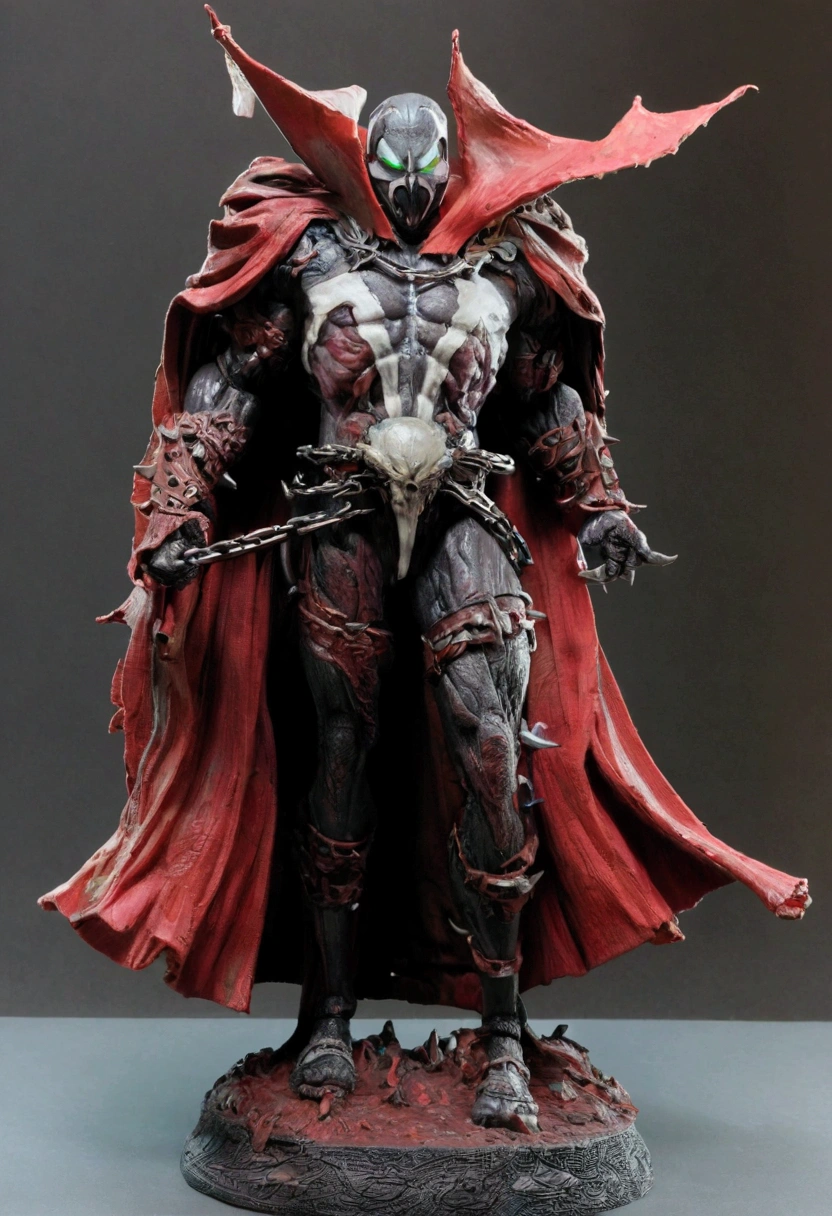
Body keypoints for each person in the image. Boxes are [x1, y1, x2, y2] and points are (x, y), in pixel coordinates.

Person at [41, 10, 809, 1134]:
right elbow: (231, 390)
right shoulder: (309, 257)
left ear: (450, 166)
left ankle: (502, 1033)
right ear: (365, 163)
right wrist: (177, 508)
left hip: (463, 515)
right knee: (338, 758)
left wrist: (597, 508)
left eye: (423, 172)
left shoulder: (507, 266)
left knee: (491, 750)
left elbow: (543, 397)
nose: (405, 191)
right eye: (389, 171)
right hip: (340, 516)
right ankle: (328, 1018)